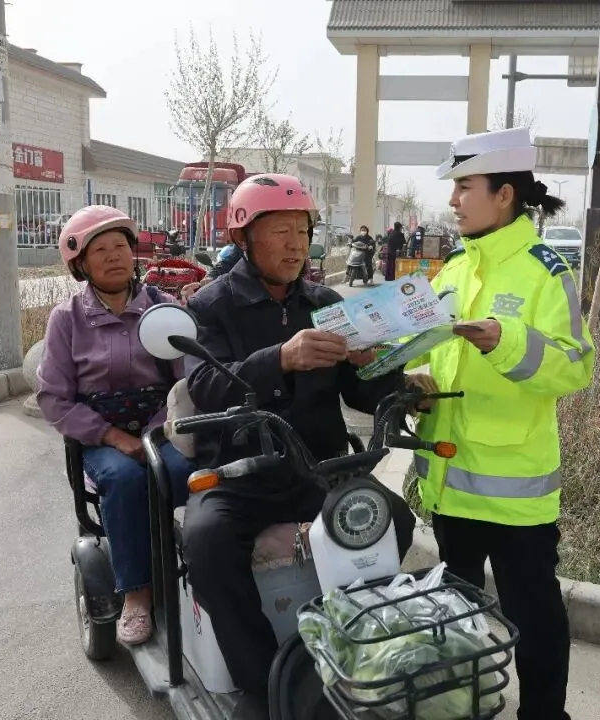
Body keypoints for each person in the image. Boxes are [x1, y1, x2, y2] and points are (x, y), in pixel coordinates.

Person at [178, 173, 422, 709]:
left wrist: (390, 378)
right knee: (206, 543)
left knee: (397, 521)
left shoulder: (325, 301)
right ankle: (260, 682)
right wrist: (281, 359)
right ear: (244, 238)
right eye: (280, 231)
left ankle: (344, 648)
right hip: (241, 476)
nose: (295, 244)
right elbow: (205, 385)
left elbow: (359, 394)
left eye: (303, 230)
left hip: (320, 469)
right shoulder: (210, 306)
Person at [406, 126, 596, 720]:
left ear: (505, 194)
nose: (455, 199)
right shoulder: (455, 268)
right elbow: (424, 348)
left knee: (534, 616)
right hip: (448, 478)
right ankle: (459, 708)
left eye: (465, 186)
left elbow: (576, 365)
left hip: (515, 492)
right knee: (453, 621)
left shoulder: (546, 270)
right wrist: (410, 376)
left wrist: (505, 341)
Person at [37, 205, 193, 646]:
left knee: (189, 475)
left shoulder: (163, 309)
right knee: (124, 481)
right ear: (80, 263)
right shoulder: (67, 319)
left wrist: (159, 429)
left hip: (162, 428)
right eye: (100, 249)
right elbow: (53, 397)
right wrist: (113, 437)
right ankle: (137, 595)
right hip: (102, 435)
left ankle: (196, 569)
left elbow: (186, 381)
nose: (113, 256)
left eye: (120, 246)